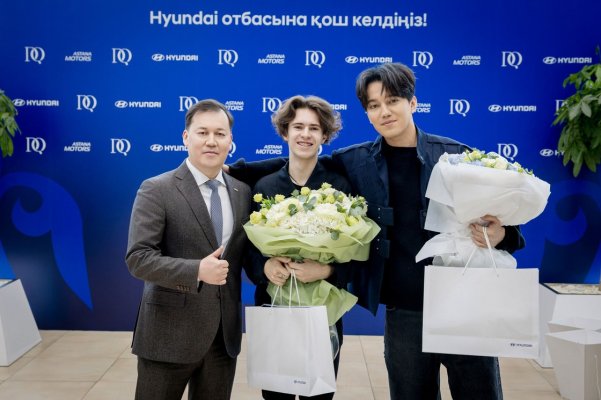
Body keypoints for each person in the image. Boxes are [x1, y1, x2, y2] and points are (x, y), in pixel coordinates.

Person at [227, 63, 525, 400]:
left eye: (392, 101)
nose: (384, 112)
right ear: (367, 114)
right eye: (374, 105)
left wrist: (503, 235)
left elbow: (504, 218)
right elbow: (300, 163)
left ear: (413, 103)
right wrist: (236, 170)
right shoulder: (357, 161)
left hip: (463, 306)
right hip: (403, 310)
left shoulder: (454, 156)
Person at [125, 99, 251, 400]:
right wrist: (196, 270)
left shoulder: (242, 192)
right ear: (186, 137)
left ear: (230, 140)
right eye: (202, 132)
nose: (211, 141)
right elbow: (138, 258)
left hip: (223, 339)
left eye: (220, 133)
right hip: (168, 335)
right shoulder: (157, 189)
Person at [248, 95, 354, 400]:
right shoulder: (265, 187)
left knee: (318, 393)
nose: (305, 134)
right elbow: (248, 249)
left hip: (323, 311)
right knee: (276, 394)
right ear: (285, 132)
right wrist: (265, 267)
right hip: (275, 305)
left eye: (314, 128)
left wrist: (327, 270)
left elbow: (358, 252)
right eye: (298, 127)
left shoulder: (339, 188)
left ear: (325, 135)